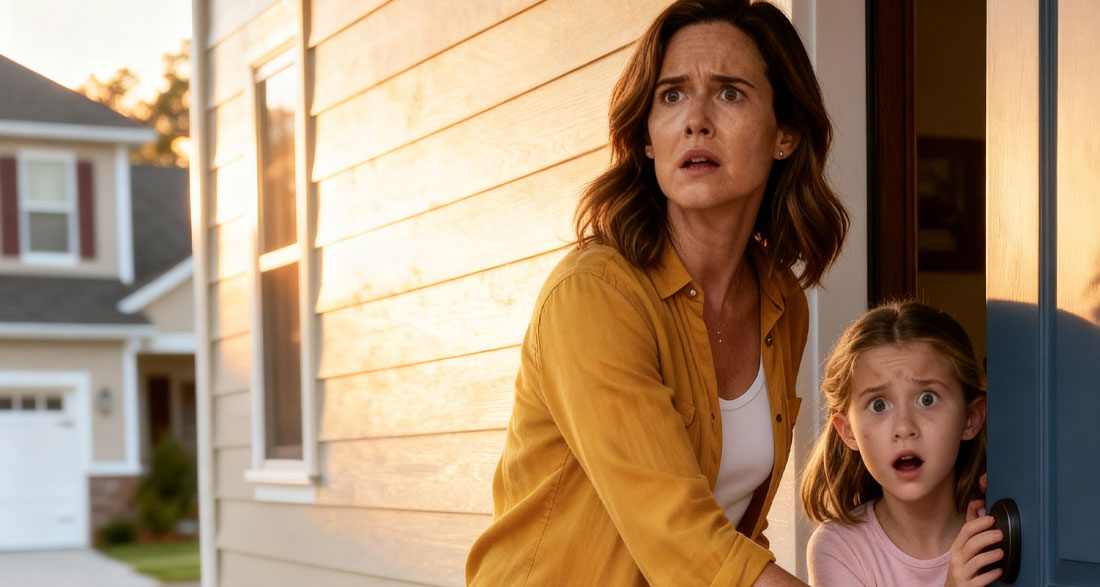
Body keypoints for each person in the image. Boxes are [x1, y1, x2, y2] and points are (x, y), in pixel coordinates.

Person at [466, 0, 848, 584]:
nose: (695, 120)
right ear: (646, 139)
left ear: (785, 134)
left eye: (730, 93)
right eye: (671, 96)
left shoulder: (780, 303)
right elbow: (680, 532)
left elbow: (732, 529)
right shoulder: (593, 295)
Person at [799, 301, 1004, 586]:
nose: (904, 428)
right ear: (848, 432)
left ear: (971, 418)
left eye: (927, 399)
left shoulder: (998, 531)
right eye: (879, 405)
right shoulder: (839, 548)